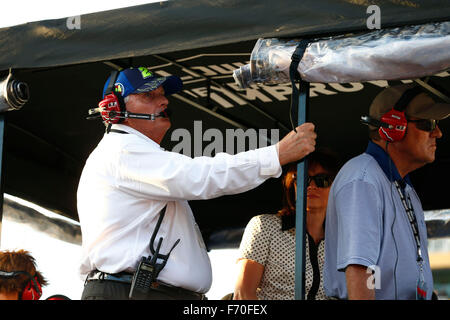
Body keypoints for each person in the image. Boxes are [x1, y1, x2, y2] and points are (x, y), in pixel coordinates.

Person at [77, 66, 317, 300]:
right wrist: (276, 155)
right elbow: (203, 176)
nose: (163, 102)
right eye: (149, 95)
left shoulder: (128, 153)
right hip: (131, 293)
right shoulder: (123, 151)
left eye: (162, 95)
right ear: (114, 109)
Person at [323, 84, 450, 300]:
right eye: (428, 124)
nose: (437, 133)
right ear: (393, 127)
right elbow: (361, 271)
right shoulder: (362, 180)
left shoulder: (402, 186)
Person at [233, 149, 341, 300]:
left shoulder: (341, 240)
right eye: (303, 179)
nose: (311, 186)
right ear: (292, 185)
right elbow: (243, 294)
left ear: (336, 187)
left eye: (322, 180)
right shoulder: (264, 226)